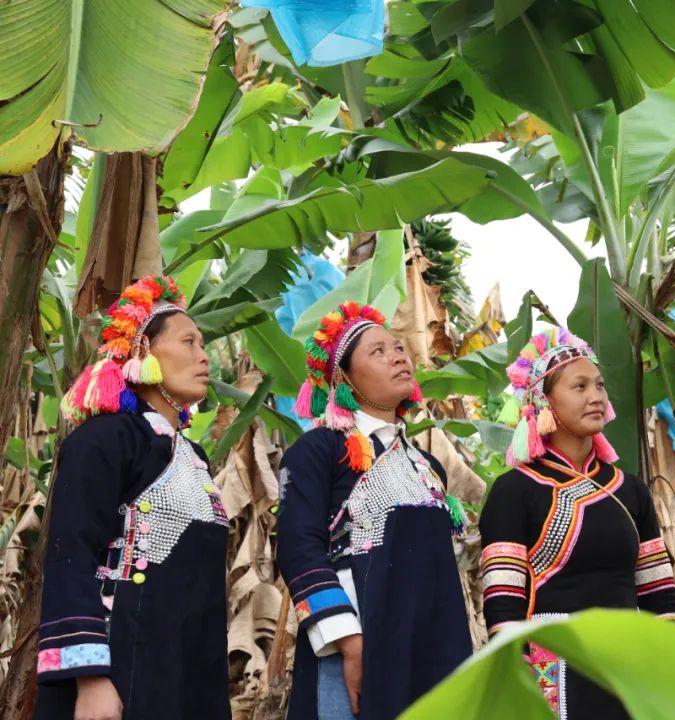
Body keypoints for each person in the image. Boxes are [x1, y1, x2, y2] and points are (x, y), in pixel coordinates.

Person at [36, 275, 228, 720]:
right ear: (145, 352)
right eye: (188, 342)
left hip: (185, 669)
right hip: (119, 666)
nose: (204, 356)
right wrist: (91, 678)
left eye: (203, 343)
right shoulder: (104, 439)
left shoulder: (193, 455)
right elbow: (70, 555)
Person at [275, 301, 471, 720]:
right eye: (377, 351)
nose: (398, 355)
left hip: (433, 646)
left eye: (398, 347)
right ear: (344, 378)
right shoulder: (318, 450)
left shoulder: (427, 466)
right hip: (359, 643)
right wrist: (349, 641)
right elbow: (297, 548)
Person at [478, 328, 675, 720]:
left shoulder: (630, 490)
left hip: (627, 666)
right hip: (554, 667)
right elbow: (503, 603)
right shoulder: (514, 490)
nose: (597, 397)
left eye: (600, 385)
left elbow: (658, 593)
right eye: (580, 386)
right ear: (543, 400)